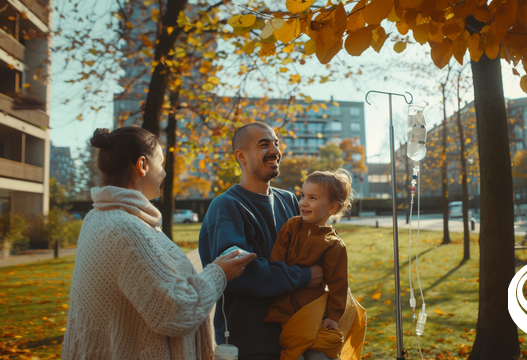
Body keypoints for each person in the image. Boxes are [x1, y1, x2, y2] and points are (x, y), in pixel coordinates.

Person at [62, 127, 256, 360]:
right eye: (161, 163)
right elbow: (175, 312)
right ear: (142, 165)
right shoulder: (126, 229)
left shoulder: (100, 217)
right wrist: (218, 273)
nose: (164, 173)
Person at [198, 122, 324, 360]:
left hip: (300, 331)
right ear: (241, 156)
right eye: (264, 144)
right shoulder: (227, 206)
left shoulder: (288, 200)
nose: (275, 150)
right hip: (253, 342)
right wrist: (304, 276)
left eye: (276, 143)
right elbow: (240, 272)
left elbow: (311, 250)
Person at [263, 169, 354, 360]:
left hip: (313, 312)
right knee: (293, 352)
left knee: (317, 354)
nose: (303, 202)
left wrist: (332, 316)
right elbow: (276, 262)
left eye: (313, 198)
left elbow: (338, 285)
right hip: (285, 309)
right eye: (303, 195)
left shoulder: (334, 244)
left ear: (331, 207)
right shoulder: (291, 226)